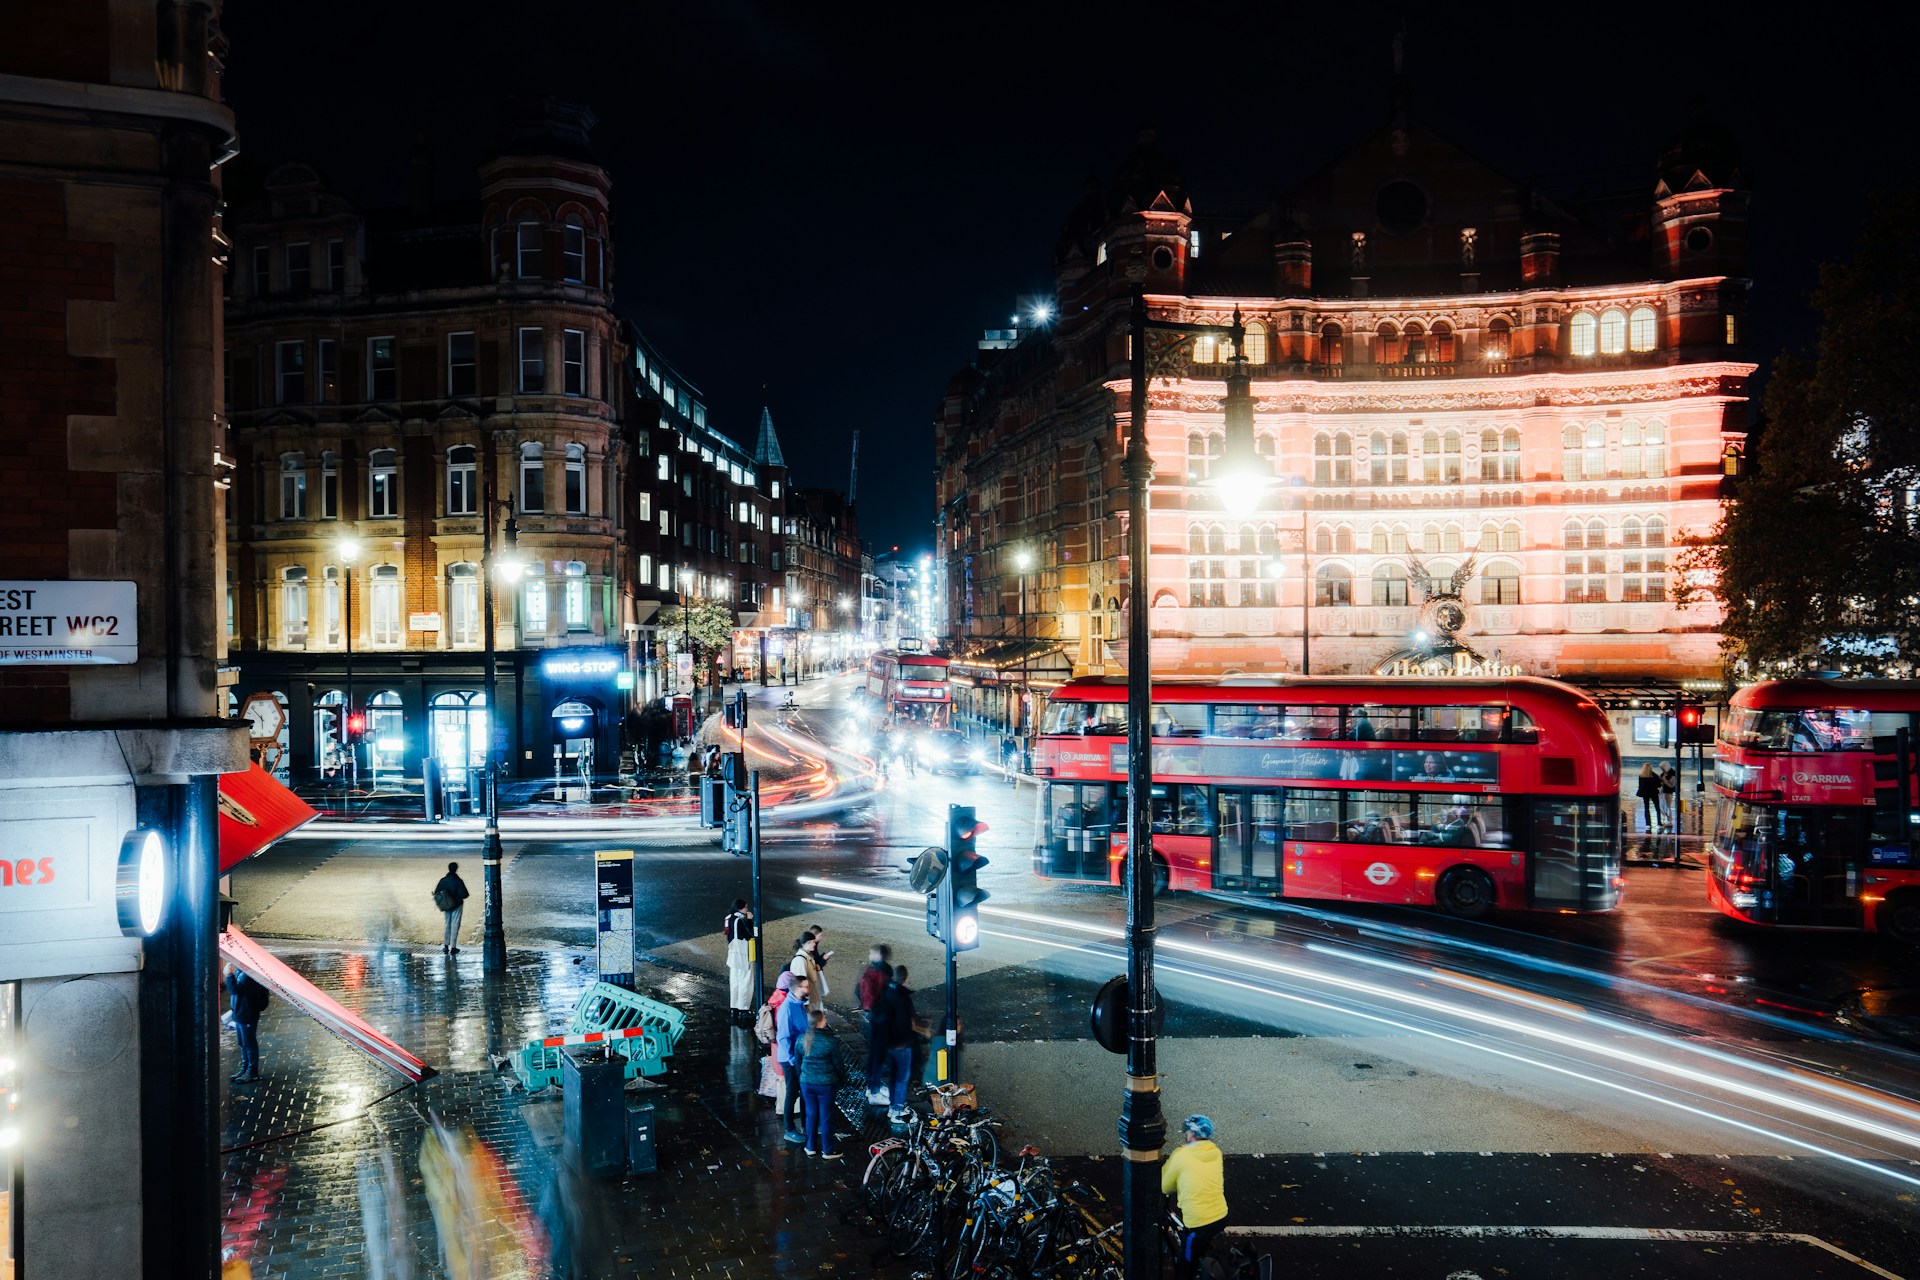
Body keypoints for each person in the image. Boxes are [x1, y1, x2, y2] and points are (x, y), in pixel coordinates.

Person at [1162, 1114, 1228, 1280]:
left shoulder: (1181, 1154)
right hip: (1221, 1216)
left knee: (1185, 1268)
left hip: (1198, 1224)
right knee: (1202, 1246)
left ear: (1192, 1134)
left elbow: (1165, 1185)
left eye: (1187, 1132)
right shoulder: (1216, 1152)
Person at [797, 1008, 845, 1159]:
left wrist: (803, 1076)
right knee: (825, 1116)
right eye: (824, 1018)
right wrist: (842, 1080)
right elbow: (838, 1064)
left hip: (807, 1082)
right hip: (826, 1084)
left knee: (811, 1114)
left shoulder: (801, 1039)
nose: (826, 1020)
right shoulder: (830, 1042)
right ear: (820, 1023)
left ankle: (810, 1146)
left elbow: (798, 1062)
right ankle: (827, 1150)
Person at [875, 964, 919, 1120]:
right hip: (902, 1045)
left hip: (887, 1043)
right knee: (902, 1078)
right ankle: (897, 1110)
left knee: (893, 1076)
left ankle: (892, 1106)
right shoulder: (904, 999)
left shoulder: (886, 993)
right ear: (906, 979)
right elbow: (908, 1022)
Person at [775, 973, 812, 1142]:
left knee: (804, 1091)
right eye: (804, 987)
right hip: (791, 1059)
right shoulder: (787, 1008)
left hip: (800, 1056)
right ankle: (789, 1129)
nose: (807, 989)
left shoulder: (799, 1004)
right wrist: (792, 1059)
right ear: (796, 988)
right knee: (793, 1092)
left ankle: (807, 1125)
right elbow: (782, 1037)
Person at [857, 945, 894, 1102]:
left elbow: (863, 994)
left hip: (875, 1016)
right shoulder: (882, 971)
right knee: (878, 1054)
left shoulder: (874, 970)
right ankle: (874, 1090)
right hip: (879, 1017)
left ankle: (872, 1087)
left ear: (879, 955)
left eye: (872, 953)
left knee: (875, 1054)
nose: (869, 955)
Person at [223, 962, 269, 1082]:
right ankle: (245, 1069)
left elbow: (234, 990)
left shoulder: (248, 974)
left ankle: (252, 1072)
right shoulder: (243, 970)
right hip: (240, 1013)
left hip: (247, 1013)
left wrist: (228, 975)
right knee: (243, 1043)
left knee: (249, 1043)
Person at [723, 899, 756, 1024]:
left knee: (735, 981)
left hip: (733, 954)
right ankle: (743, 1009)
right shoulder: (740, 920)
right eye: (746, 908)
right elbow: (750, 935)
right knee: (746, 981)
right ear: (740, 909)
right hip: (743, 954)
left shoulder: (728, 918)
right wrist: (749, 920)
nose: (747, 910)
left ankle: (734, 1007)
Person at [433, 861, 469, 954]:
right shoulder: (458, 881)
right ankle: (453, 947)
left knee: (447, 924)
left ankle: (446, 945)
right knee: (455, 925)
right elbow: (464, 894)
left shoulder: (443, 880)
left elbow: (437, 892)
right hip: (456, 905)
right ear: (456, 869)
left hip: (446, 905)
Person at [1636, 762, 1662, 832]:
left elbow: (1640, 786)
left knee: (1646, 808)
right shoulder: (1655, 776)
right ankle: (1659, 823)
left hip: (1645, 793)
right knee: (1657, 808)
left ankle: (1648, 824)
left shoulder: (1641, 776)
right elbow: (1659, 785)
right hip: (1653, 793)